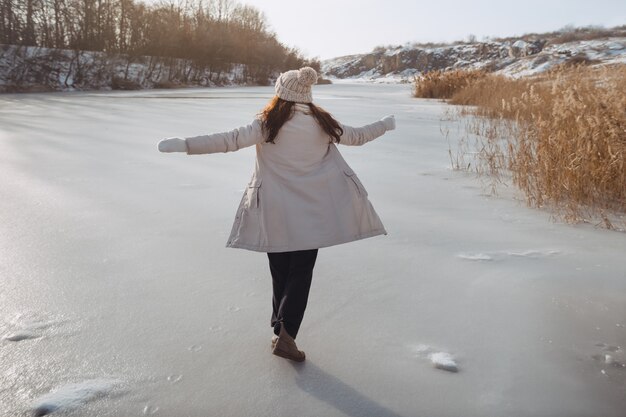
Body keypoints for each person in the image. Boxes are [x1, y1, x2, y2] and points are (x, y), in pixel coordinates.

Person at [158, 67, 396, 362]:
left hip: (273, 210)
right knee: (301, 271)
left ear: (280, 94)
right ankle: (285, 333)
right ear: (306, 96)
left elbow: (228, 140)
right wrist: (384, 124)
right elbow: (358, 136)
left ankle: (279, 329)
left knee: (280, 270)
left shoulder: (267, 124)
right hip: (312, 212)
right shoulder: (322, 123)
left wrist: (185, 145)